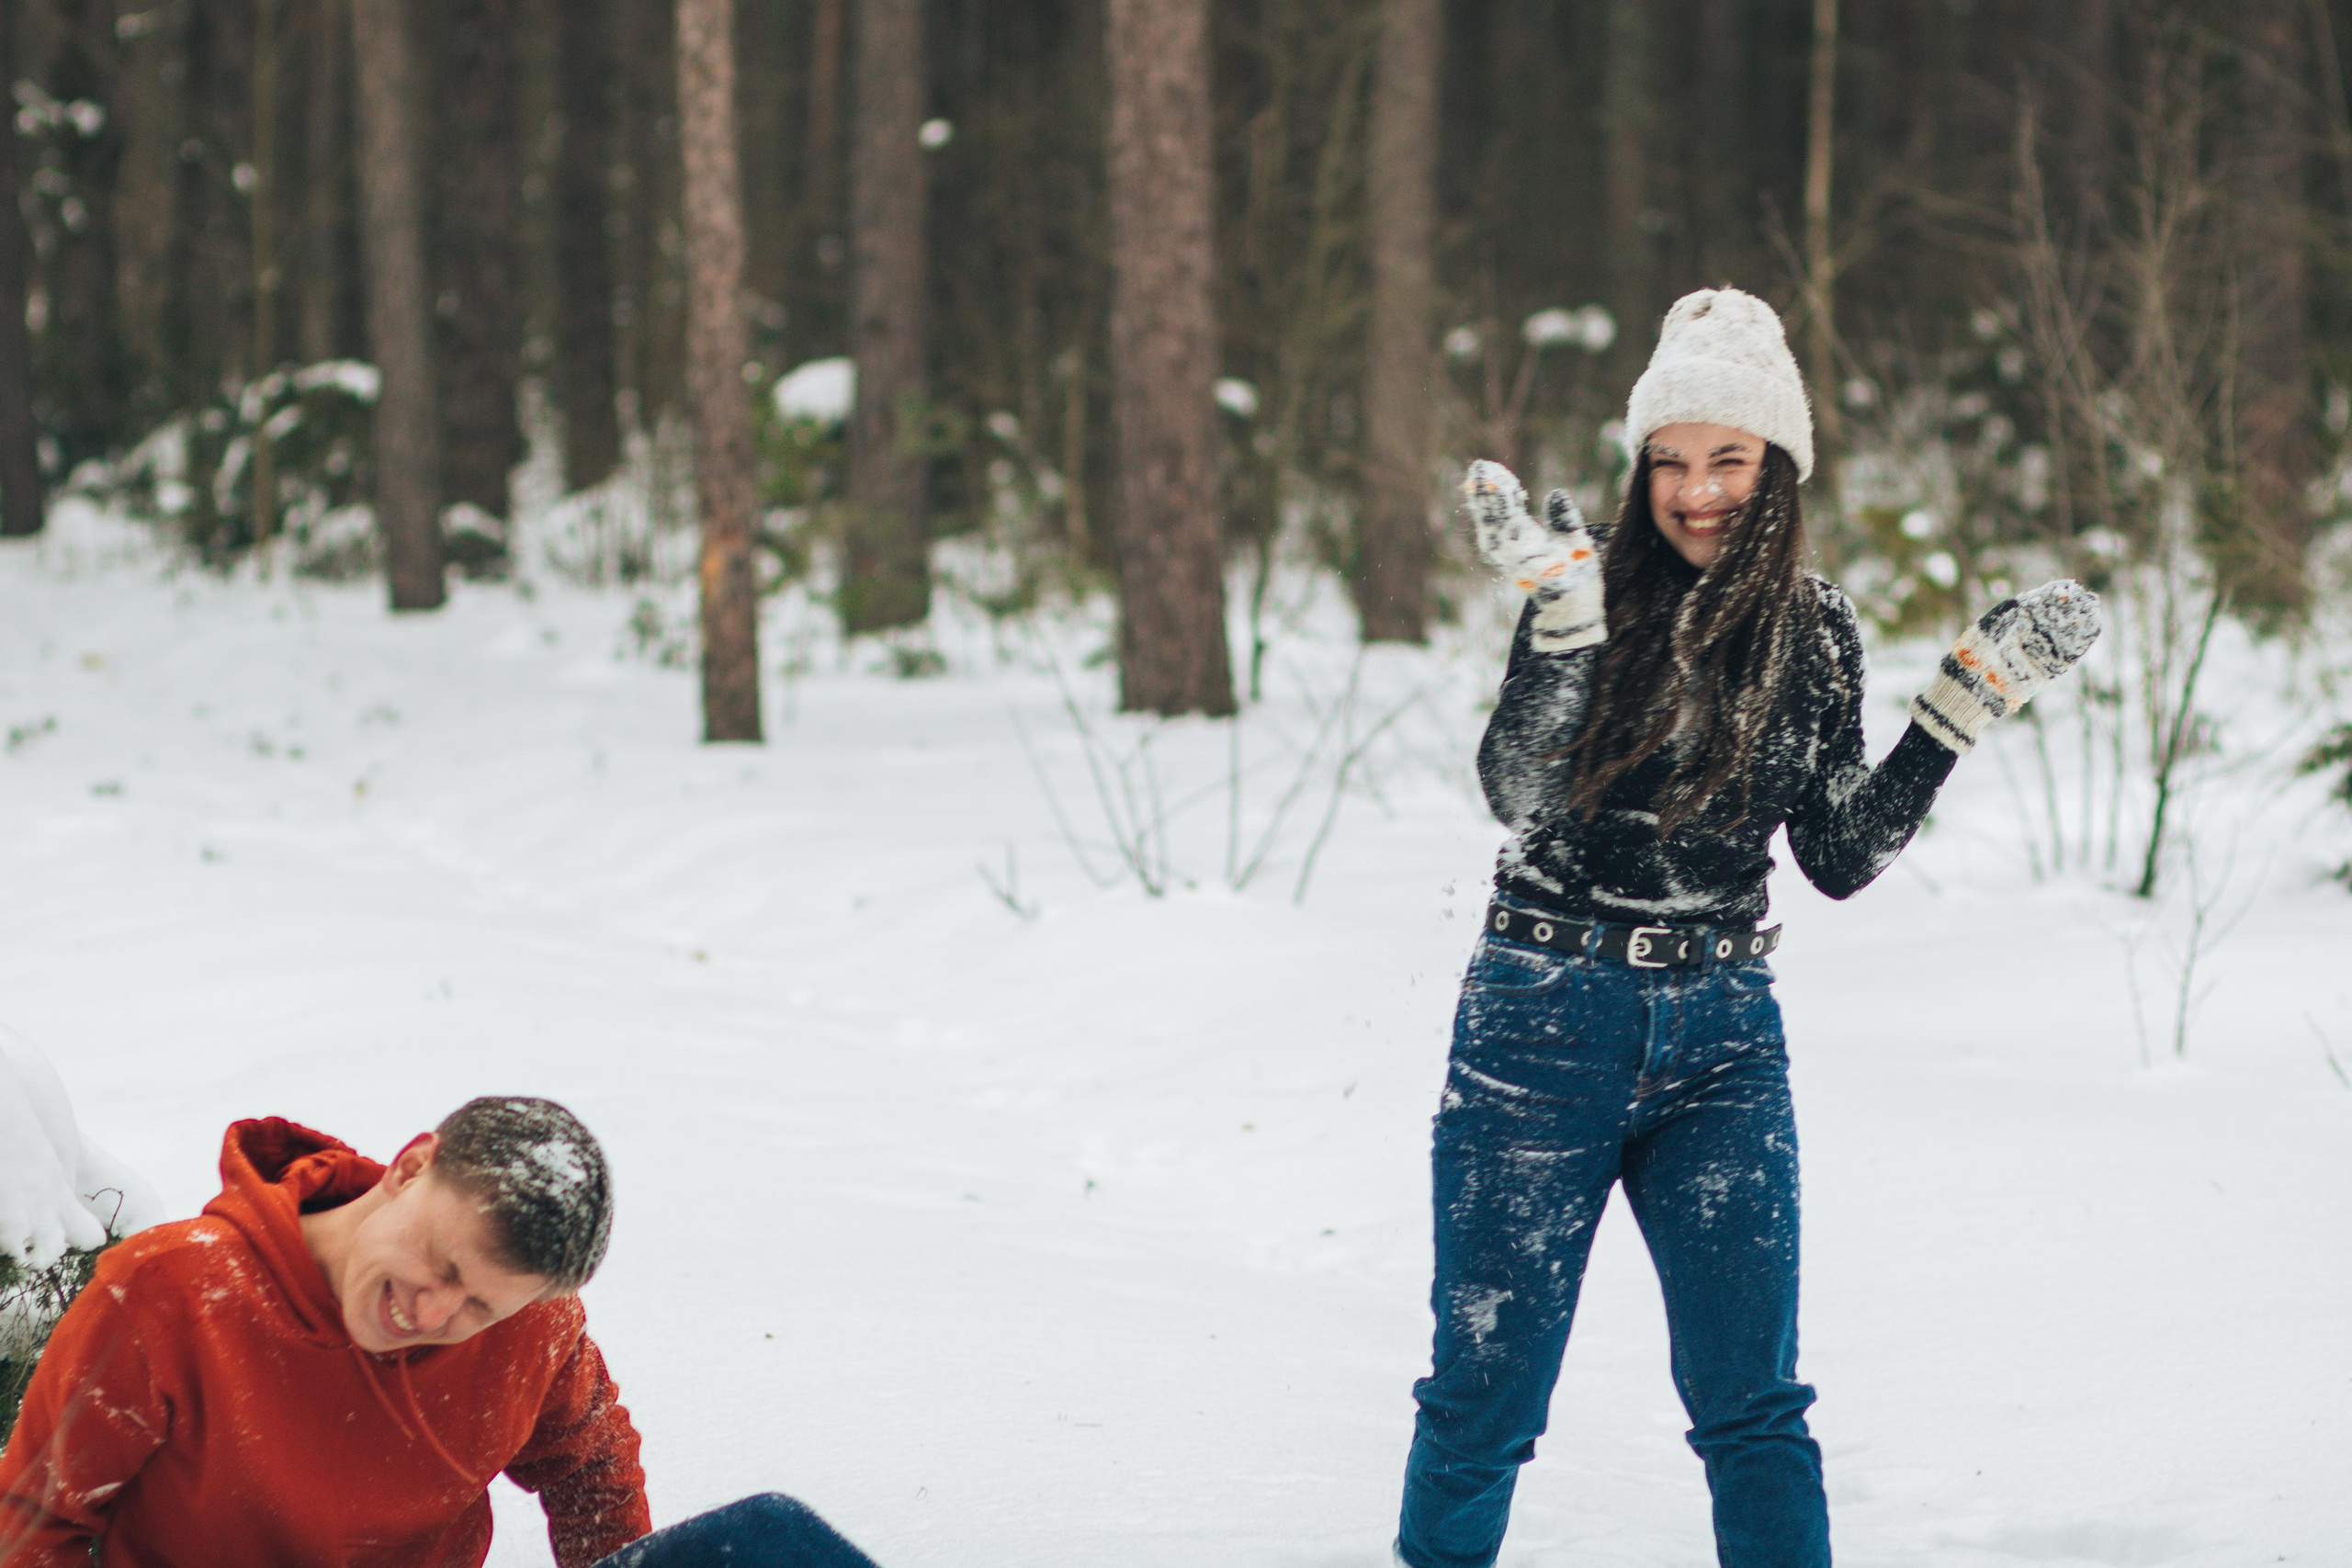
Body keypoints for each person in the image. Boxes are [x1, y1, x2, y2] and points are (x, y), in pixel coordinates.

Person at [1394, 288, 2101, 1568]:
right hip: (1542, 1021)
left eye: (1727, 458)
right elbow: (1517, 787)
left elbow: (1836, 854)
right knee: (1486, 1396)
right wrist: (1563, 634)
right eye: (1668, 461)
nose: (1696, 491)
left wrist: (1961, 705)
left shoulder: (1816, 629)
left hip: (1722, 1039)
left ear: (1779, 465)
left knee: (1755, 1406)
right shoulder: (1584, 595)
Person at [0, 1097, 881, 1568]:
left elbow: (591, 1461)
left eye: (477, 1307)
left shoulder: (534, 1323)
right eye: (440, 1262)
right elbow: (33, 1526)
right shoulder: (170, 1291)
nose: (430, 1315)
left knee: (774, 1541)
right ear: (412, 1167)